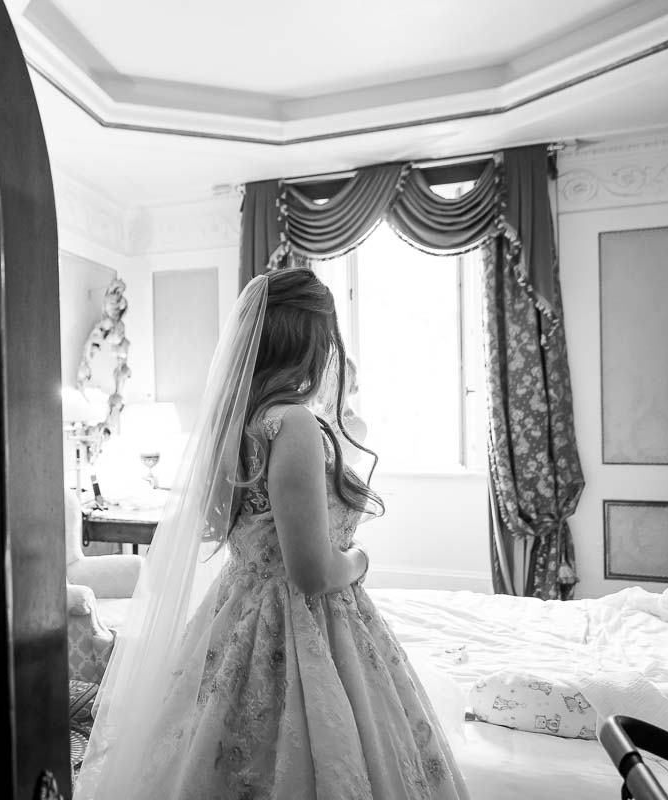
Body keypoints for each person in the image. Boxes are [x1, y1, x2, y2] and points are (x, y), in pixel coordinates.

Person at [74, 268, 468, 800]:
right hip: (300, 624)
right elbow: (311, 573)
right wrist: (360, 559)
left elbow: (224, 527)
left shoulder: (238, 423)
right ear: (309, 342)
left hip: (236, 610)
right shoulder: (295, 425)